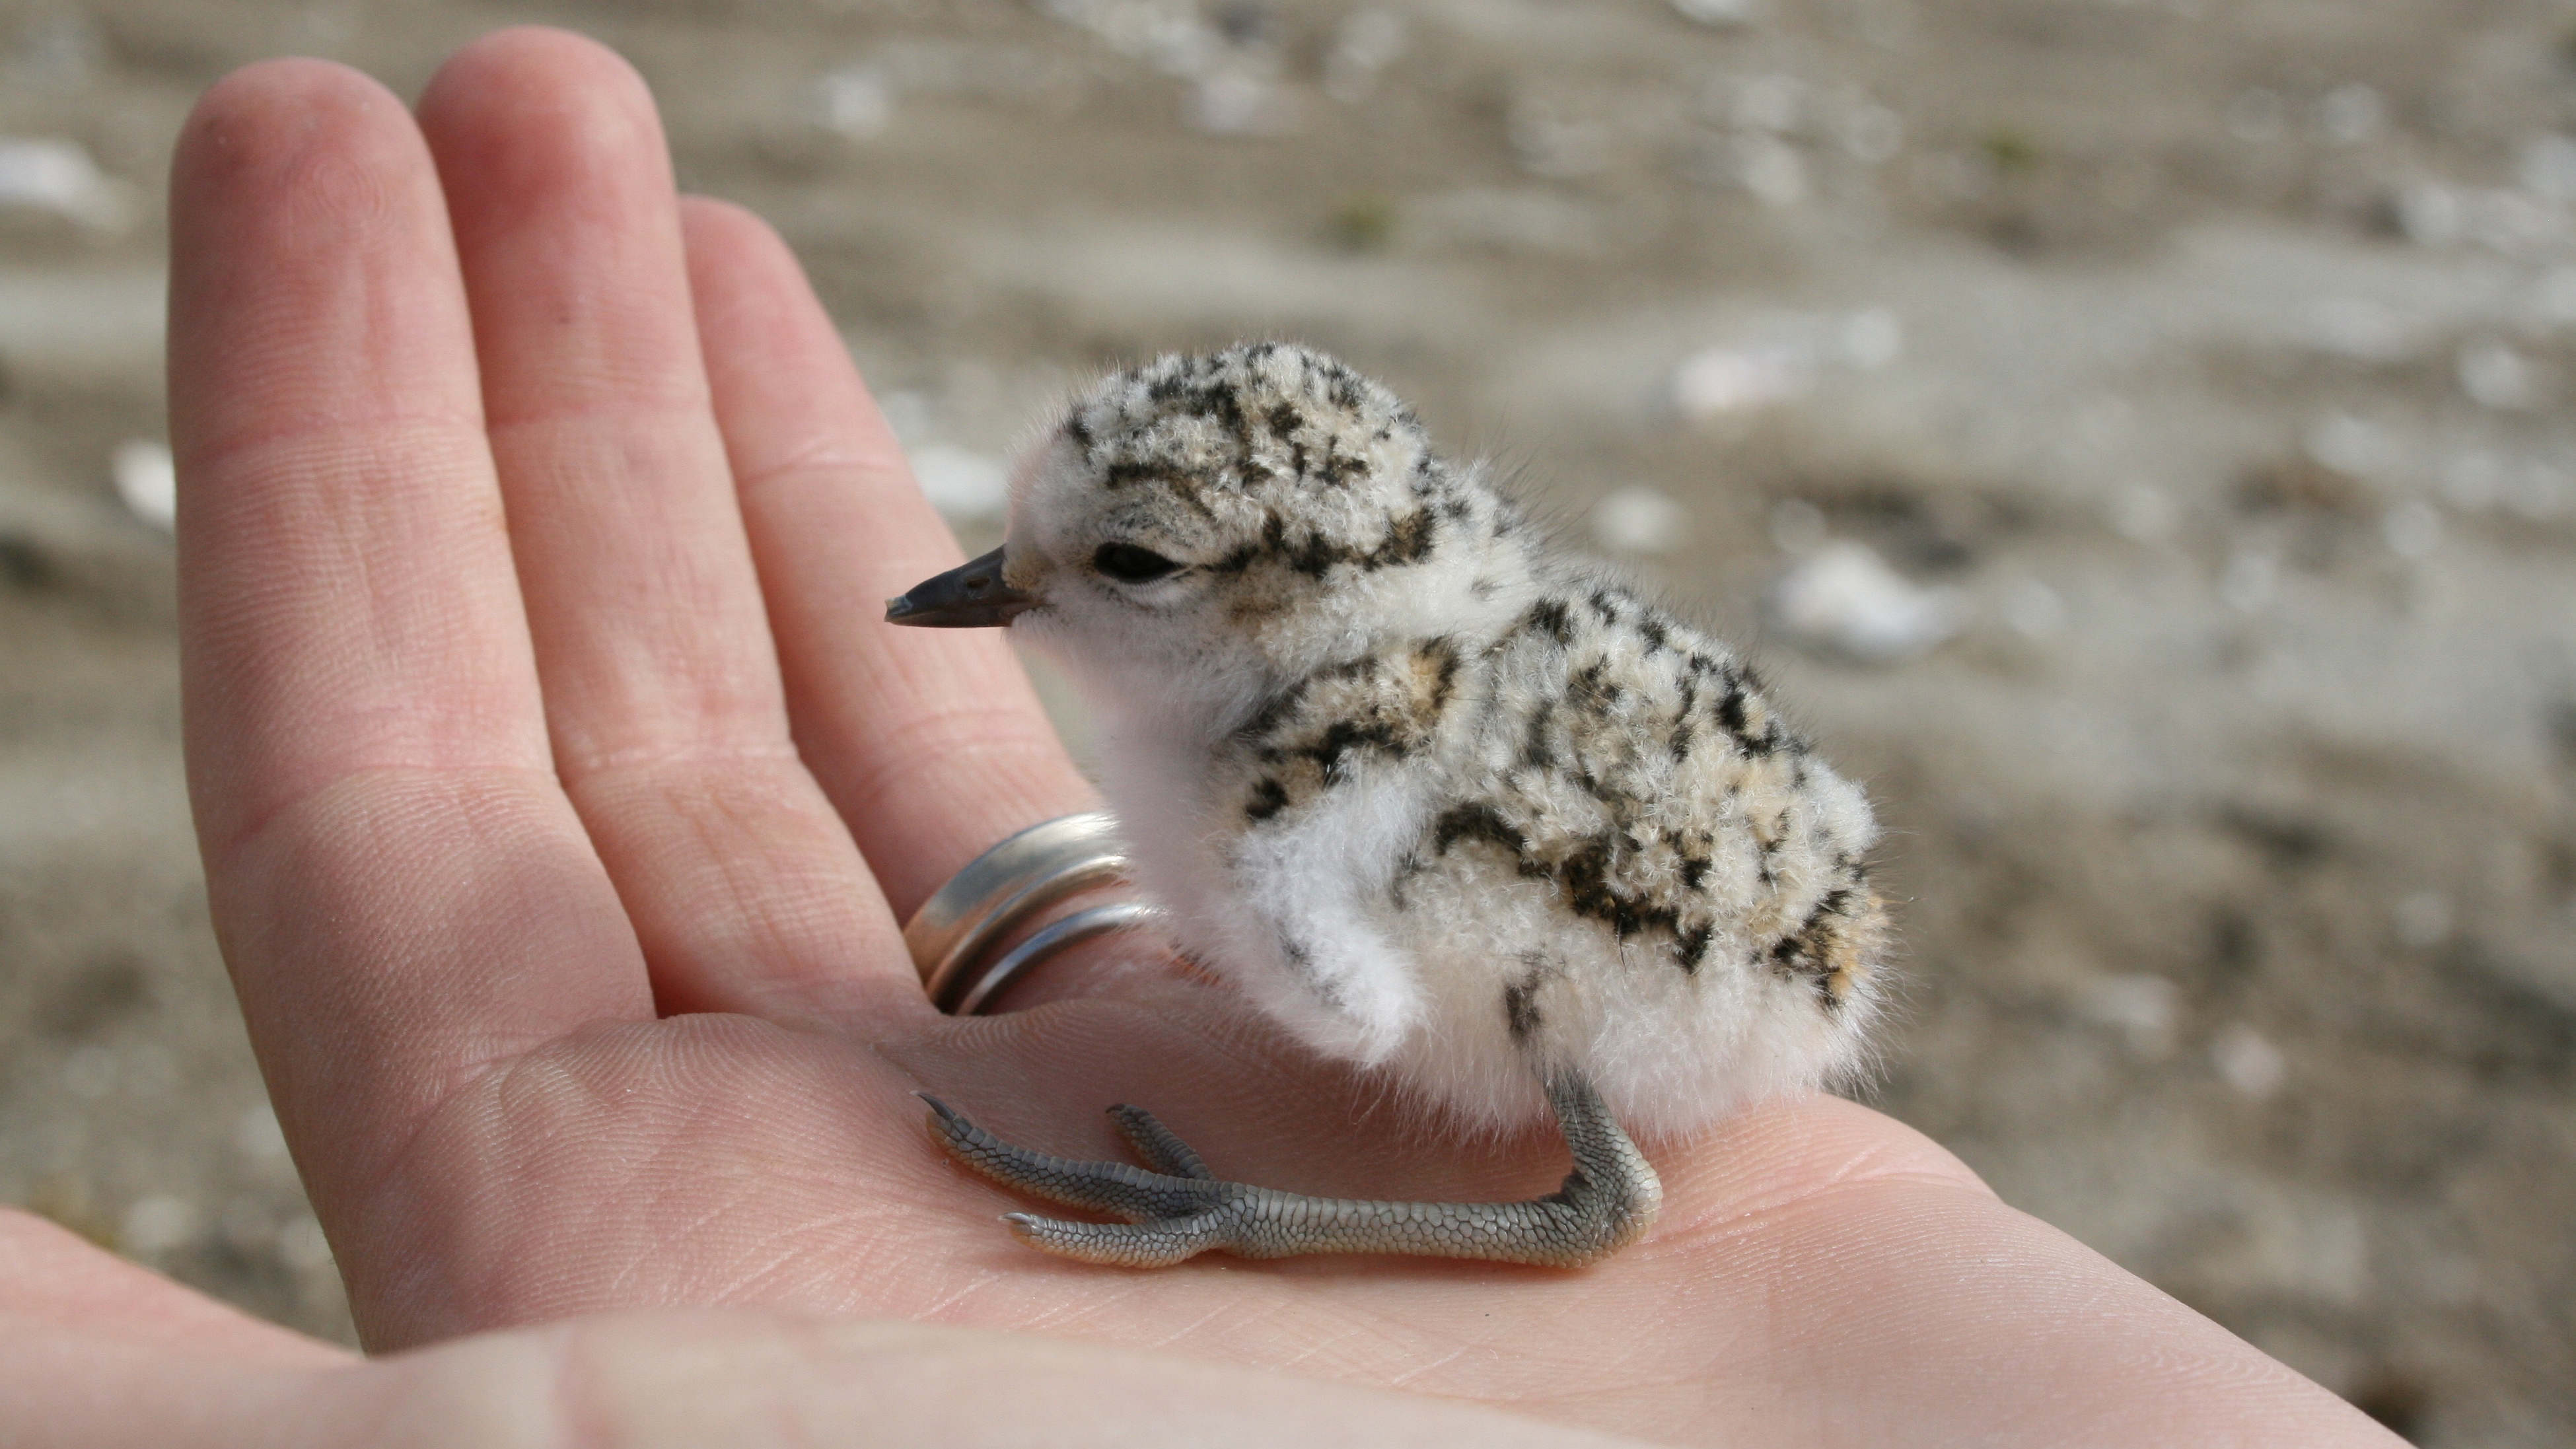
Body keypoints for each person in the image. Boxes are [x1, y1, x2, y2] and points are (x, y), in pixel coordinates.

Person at [0, 28, 2401, 1446]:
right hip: (1722, 907)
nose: (1004, 603)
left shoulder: (1315, 802)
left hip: (1631, 1018)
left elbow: (1400, 1010)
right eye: (1047, 545)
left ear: (1292, 604)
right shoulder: (1420, 663)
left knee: (1535, 1119)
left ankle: (1266, 1213)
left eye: (1107, 577)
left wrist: (1235, 1210)